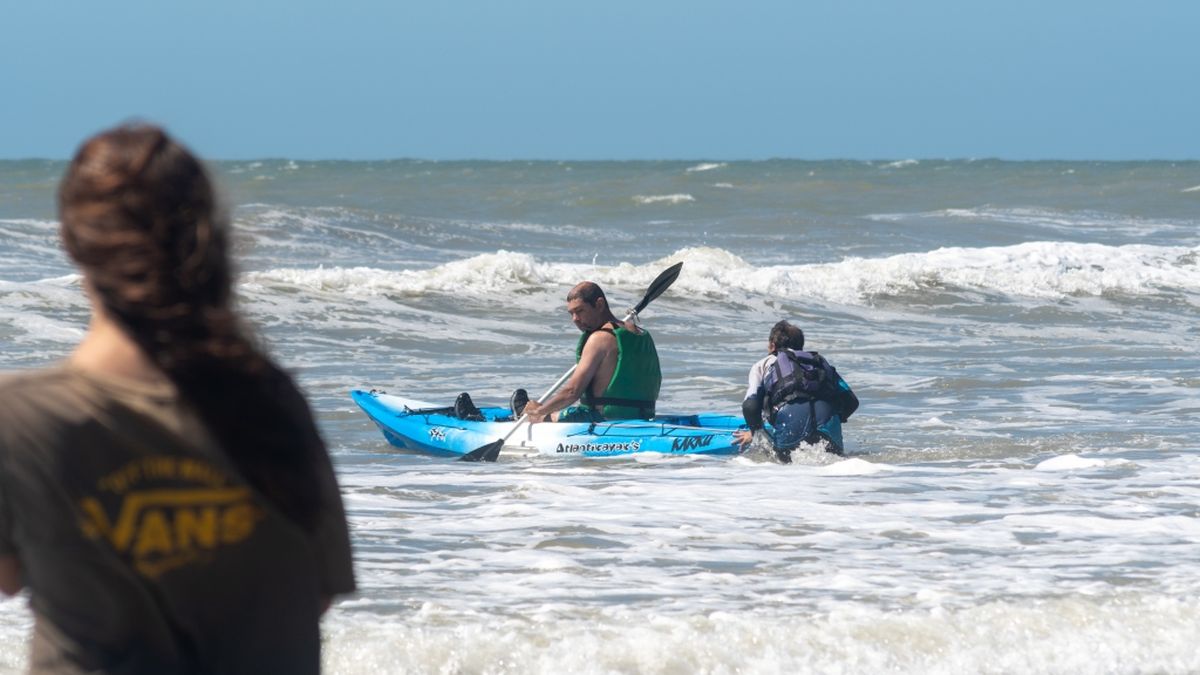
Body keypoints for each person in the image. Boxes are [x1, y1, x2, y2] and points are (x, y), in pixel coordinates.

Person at [0, 125, 355, 674]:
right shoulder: (275, 402)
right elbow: (317, 595)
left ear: (71, 243)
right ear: (209, 241)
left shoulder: (21, 418)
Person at [518, 281, 661, 423]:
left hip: (601, 419)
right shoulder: (643, 335)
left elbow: (571, 392)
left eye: (580, 311)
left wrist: (539, 411)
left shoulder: (599, 338)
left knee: (540, 417)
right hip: (642, 416)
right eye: (572, 313)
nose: (575, 319)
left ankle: (524, 413)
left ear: (599, 304)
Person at [733, 320, 859, 462]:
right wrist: (829, 420)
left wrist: (756, 433)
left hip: (791, 427)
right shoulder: (819, 362)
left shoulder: (763, 364)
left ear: (772, 345)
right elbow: (852, 402)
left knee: (779, 463)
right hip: (829, 429)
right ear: (800, 345)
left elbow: (750, 406)